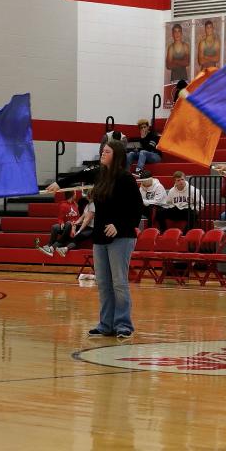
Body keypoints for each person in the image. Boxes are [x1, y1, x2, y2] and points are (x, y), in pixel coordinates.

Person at [88, 140, 143, 339]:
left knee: (119, 282)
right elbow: (79, 176)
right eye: (102, 150)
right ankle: (105, 325)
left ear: (117, 155)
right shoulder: (100, 175)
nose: (103, 153)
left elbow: (137, 209)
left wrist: (118, 225)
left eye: (107, 151)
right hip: (100, 237)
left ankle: (123, 325)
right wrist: (59, 183)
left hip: (122, 236)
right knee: (103, 282)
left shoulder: (126, 178)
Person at [37, 191, 79, 256]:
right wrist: (61, 223)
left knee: (68, 223)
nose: (76, 195)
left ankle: (52, 248)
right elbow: (60, 218)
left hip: (73, 226)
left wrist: (74, 225)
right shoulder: (63, 204)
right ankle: (49, 245)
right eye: (75, 193)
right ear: (72, 195)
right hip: (66, 227)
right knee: (55, 227)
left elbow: (77, 217)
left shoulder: (75, 205)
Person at [55, 191, 95, 257]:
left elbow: (86, 221)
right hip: (87, 226)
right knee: (70, 228)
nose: (86, 197)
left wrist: (79, 231)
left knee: (79, 235)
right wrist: (75, 224)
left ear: (90, 197)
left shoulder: (93, 205)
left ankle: (65, 249)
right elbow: (82, 217)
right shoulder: (88, 205)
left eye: (87, 196)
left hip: (93, 228)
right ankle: (61, 246)